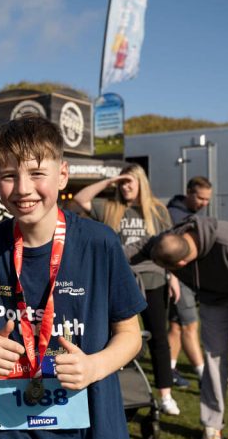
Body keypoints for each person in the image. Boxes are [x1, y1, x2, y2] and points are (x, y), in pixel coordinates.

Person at [0, 115, 146, 439]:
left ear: (62, 175)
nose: (23, 189)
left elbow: (130, 335)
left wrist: (95, 366)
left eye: (36, 173)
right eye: (9, 175)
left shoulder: (99, 243)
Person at [132, 216, 228, 439]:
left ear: (181, 263)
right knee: (213, 360)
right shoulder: (169, 239)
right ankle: (212, 426)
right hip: (213, 302)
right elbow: (141, 247)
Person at [73, 163, 181, 416]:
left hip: (153, 279)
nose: (125, 187)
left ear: (142, 182)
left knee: (158, 337)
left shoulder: (157, 210)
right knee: (115, 337)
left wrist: (173, 276)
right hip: (118, 280)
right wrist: (110, 181)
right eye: (122, 183)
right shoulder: (111, 208)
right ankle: (114, 392)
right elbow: (80, 199)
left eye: (130, 181)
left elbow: (170, 245)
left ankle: (165, 394)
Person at [166, 176, 212, 388]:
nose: (205, 203)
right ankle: (204, 375)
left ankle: (169, 370)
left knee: (176, 326)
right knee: (190, 325)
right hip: (178, 279)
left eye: (207, 199)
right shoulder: (173, 215)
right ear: (189, 193)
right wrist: (172, 276)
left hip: (187, 279)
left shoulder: (190, 215)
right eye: (201, 198)